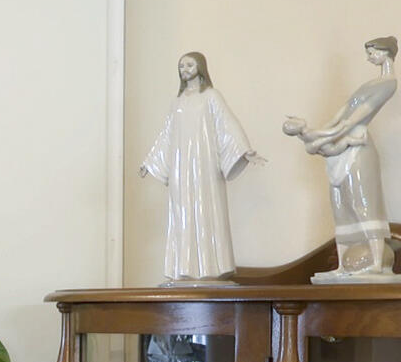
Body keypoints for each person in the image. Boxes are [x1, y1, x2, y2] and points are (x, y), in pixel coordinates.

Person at [284, 37, 401, 280]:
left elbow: (354, 118)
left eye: (372, 52)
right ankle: (341, 265)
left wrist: (319, 135)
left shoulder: (389, 83)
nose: (369, 57)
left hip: (357, 146)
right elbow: (340, 115)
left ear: (386, 53)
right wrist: (315, 133)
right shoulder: (369, 83)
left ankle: (377, 262)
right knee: (341, 205)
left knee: (363, 201)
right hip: (342, 146)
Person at [142, 52, 257, 281]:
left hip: (205, 165)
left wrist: (244, 149)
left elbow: (227, 122)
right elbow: (166, 134)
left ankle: (210, 267)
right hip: (181, 166)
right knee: (182, 212)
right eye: (181, 65)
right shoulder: (178, 102)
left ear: (200, 67)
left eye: (189, 64)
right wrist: (151, 161)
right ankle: (183, 267)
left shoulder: (211, 96)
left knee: (207, 210)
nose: (184, 69)